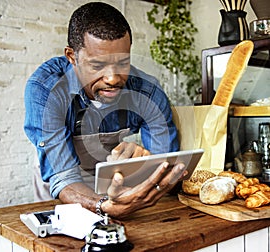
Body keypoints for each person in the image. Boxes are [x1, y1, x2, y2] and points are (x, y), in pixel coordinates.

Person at [24, 1, 186, 219]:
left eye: (122, 63)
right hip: (62, 181)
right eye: (97, 65)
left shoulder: (147, 93)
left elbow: (163, 166)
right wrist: (103, 206)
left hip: (111, 180)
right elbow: (64, 178)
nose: (112, 78)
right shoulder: (46, 89)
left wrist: (144, 170)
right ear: (72, 57)